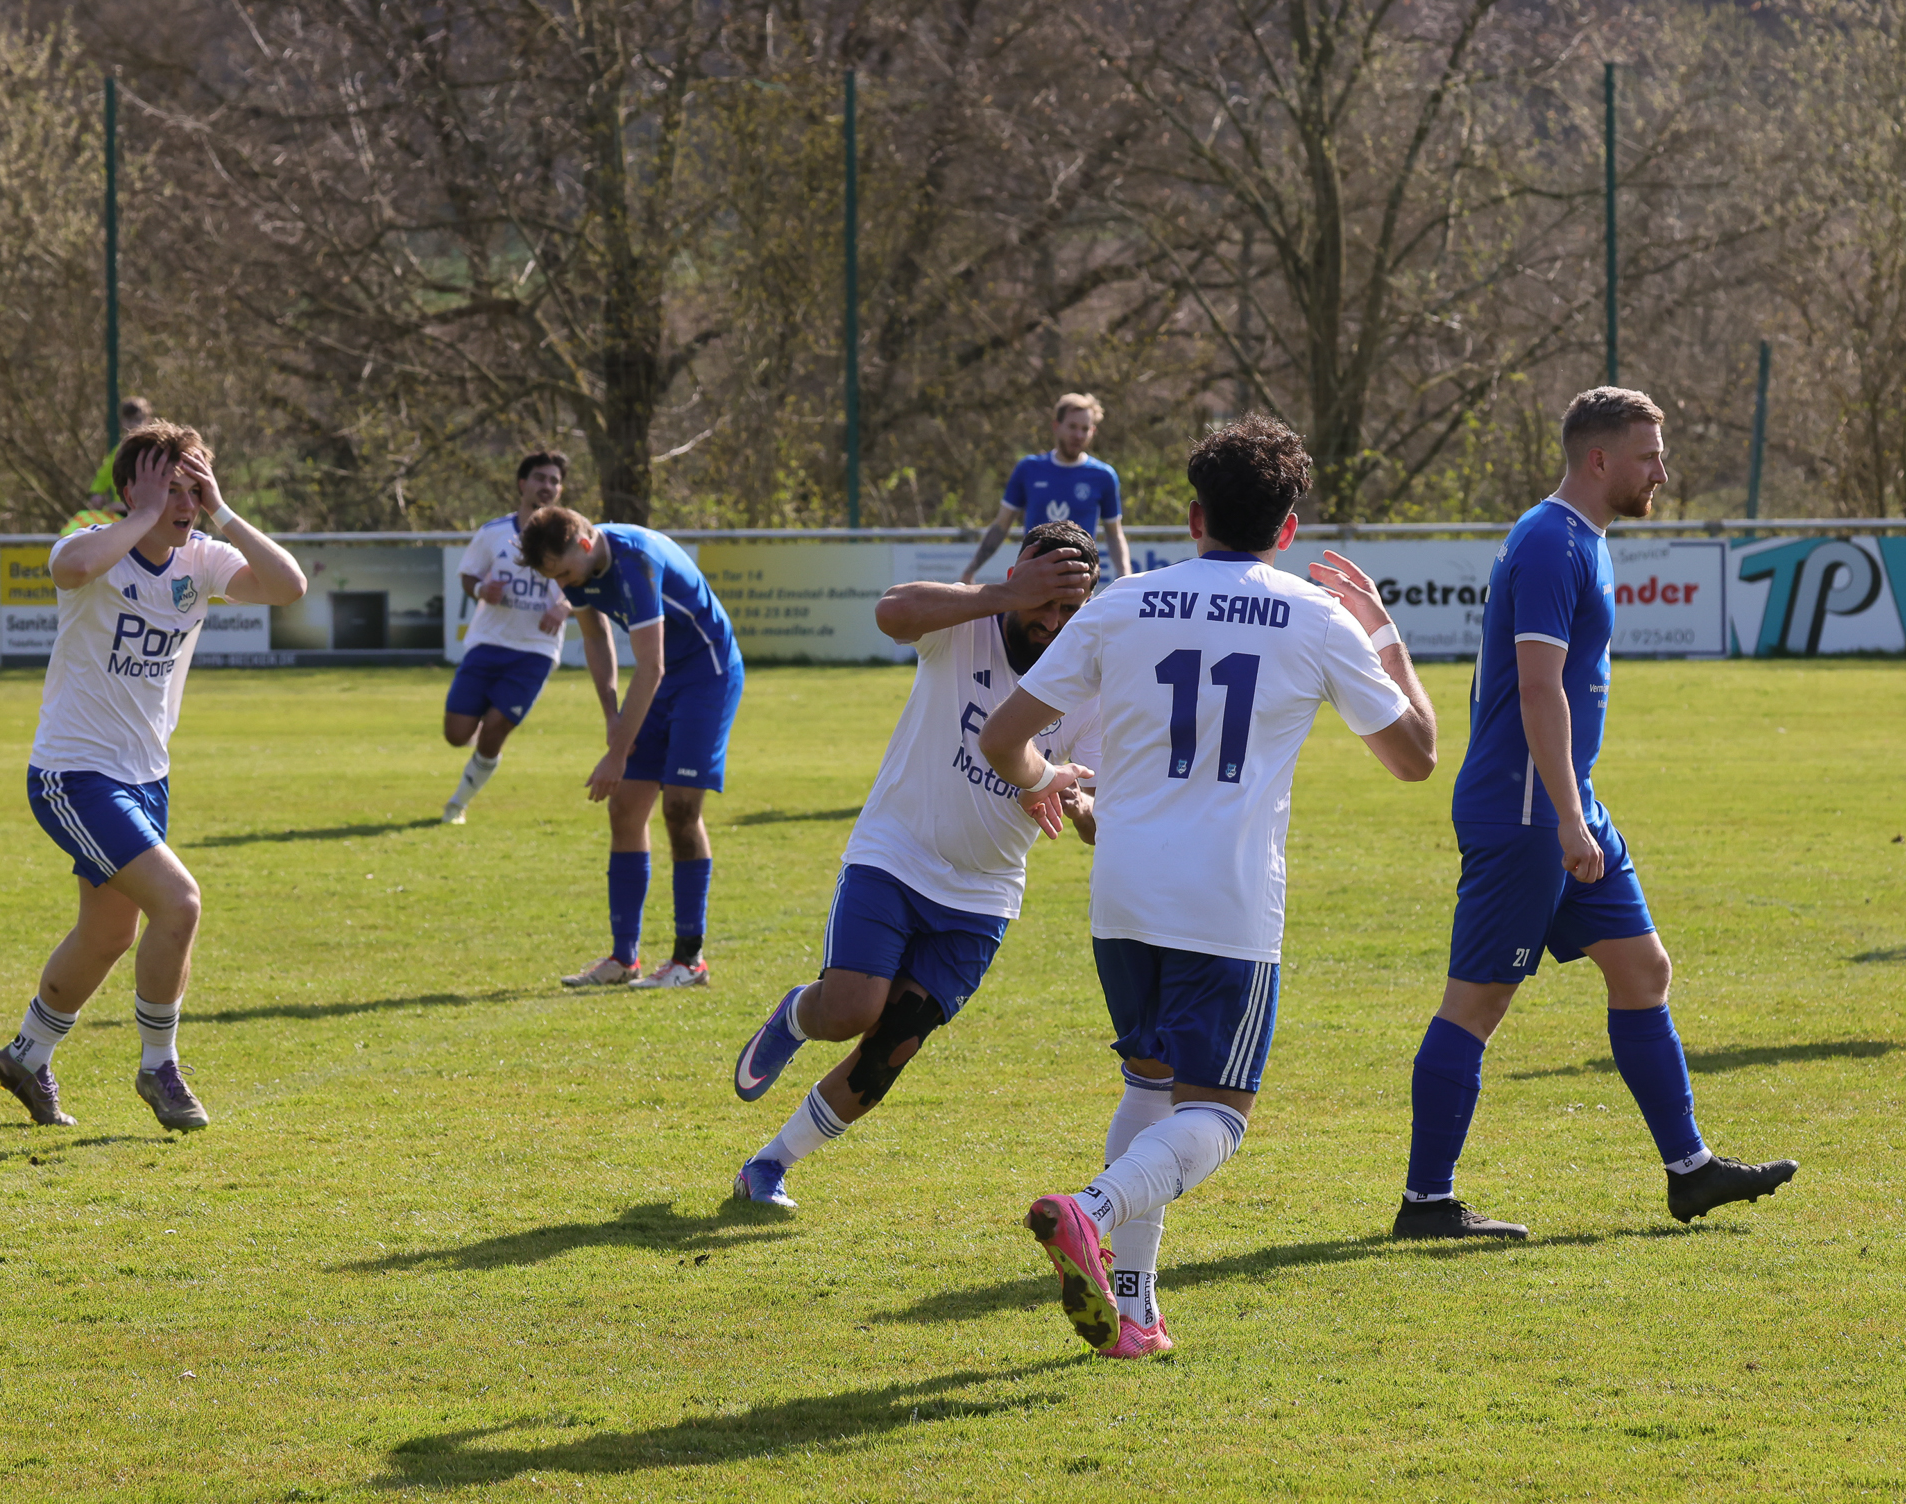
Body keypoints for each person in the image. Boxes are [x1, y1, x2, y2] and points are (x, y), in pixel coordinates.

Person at [979, 415, 1437, 1359]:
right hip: (1224, 901)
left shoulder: (1123, 602)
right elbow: (1416, 757)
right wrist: (1384, 635)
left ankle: (1135, 1309)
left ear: (1193, 517)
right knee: (1219, 1117)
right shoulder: (1316, 617)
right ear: (1287, 529)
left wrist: (1044, 780)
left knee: (1149, 1087)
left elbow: (1002, 737)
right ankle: (1090, 1208)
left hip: (1123, 893)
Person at [1393, 387, 1798, 1241]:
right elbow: (1537, 688)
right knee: (1477, 1003)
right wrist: (1568, 821)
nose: (1662, 473)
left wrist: (1577, 811)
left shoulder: (1584, 539)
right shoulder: (1551, 540)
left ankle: (1690, 1171)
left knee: (1643, 970)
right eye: (1649, 456)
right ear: (1599, 458)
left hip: (1565, 803)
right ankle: (1427, 1203)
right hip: (1529, 812)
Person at [727, 521, 1103, 1210]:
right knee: (850, 1011)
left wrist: (1077, 802)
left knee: (891, 1049)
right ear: (1016, 577)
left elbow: (1101, 823)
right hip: (895, 855)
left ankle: (769, 1166)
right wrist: (1002, 595)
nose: (1051, 622)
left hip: (984, 896)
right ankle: (797, 1016)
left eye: (1068, 608)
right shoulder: (965, 621)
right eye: (1041, 599)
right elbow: (890, 611)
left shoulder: (1089, 681)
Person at [0, 420, 306, 1131]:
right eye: (168, 486)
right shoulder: (93, 544)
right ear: (131, 490)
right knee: (180, 903)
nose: (182, 502)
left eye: (193, 487)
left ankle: (27, 1054)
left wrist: (222, 509)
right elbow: (70, 570)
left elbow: (288, 587)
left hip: (145, 778)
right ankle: (159, 1066)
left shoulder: (202, 558)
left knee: (108, 933)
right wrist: (142, 514)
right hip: (75, 774)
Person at [521, 505, 744, 989]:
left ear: (584, 543)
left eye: (562, 573)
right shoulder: (577, 568)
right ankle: (624, 959)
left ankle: (690, 961)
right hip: (659, 679)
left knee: (680, 810)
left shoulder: (635, 561)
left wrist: (618, 753)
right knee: (624, 808)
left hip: (706, 675)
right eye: (553, 577)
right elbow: (596, 636)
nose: (562, 584)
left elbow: (651, 665)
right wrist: (612, 717)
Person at [439, 451, 575, 824]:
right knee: (456, 734)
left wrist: (564, 607)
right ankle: (480, 729)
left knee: (495, 730)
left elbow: (587, 584)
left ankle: (457, 805)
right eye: (540, 478)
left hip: (536, 650)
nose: (547, 486)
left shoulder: (571, 536)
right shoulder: (493, 532)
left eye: (554, 480)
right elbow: (469, 576)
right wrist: (482, 589)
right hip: (488, 642)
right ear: (522, 484)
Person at [959, 394, 1132, 584]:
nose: (1078, 435)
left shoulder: (1103, 476)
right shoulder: (1029, 469)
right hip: (1032, 578)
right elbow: (1001, 525)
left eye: (1085, 429)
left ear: (1093, 431)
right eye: (1072, 426)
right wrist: (971, 569)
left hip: (1078, 580)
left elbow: (1114, 534)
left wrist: (1125, 577)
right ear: (1056, 426)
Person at [62, 397, 155, 537]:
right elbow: (103, 476)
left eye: (137, 420)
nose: (133, 425)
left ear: (147, 420)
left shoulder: (153, 452)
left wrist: (128, 507)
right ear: (122, 422)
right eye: (129, 420)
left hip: (144, 516)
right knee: (78, 523)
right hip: (119, 515)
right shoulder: (120, 451)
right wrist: (95, 493)